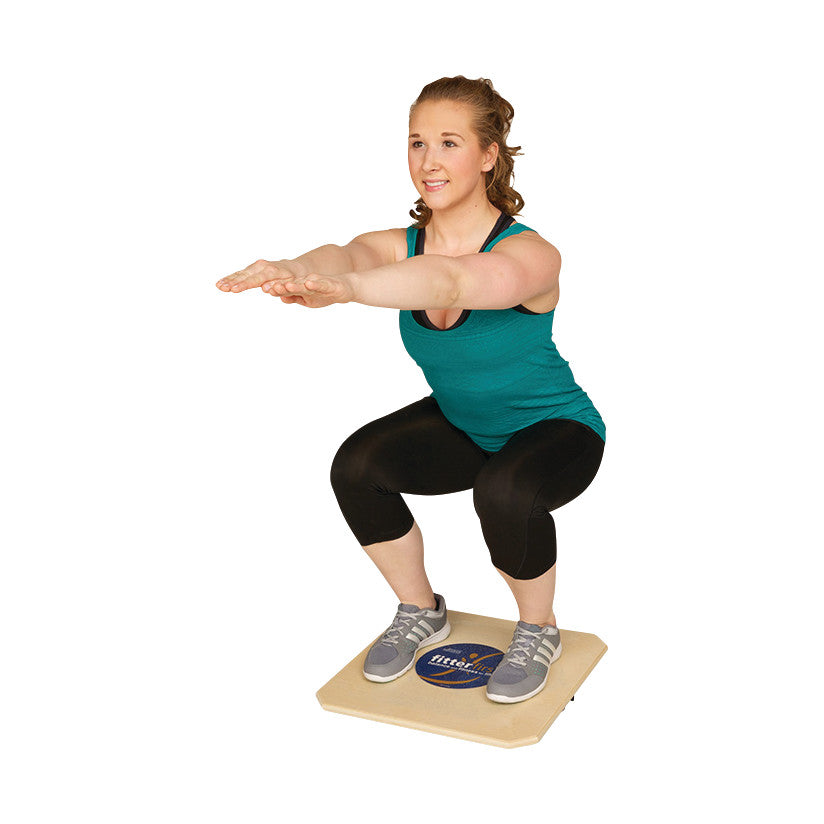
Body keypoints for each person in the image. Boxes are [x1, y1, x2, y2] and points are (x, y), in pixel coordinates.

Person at [216, 76, 605, 704]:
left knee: (503, 491)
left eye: (449, 143)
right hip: (463, 422)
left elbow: (450, 284)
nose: (428, 161)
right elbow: (349, 254)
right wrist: (299, 271)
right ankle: (421, 610)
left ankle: (539, 628)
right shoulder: (402, 244)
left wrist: (349, 292)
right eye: (417, 142)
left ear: (489, 155)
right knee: (358, 466)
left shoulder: (533, 256)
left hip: (555, 430)